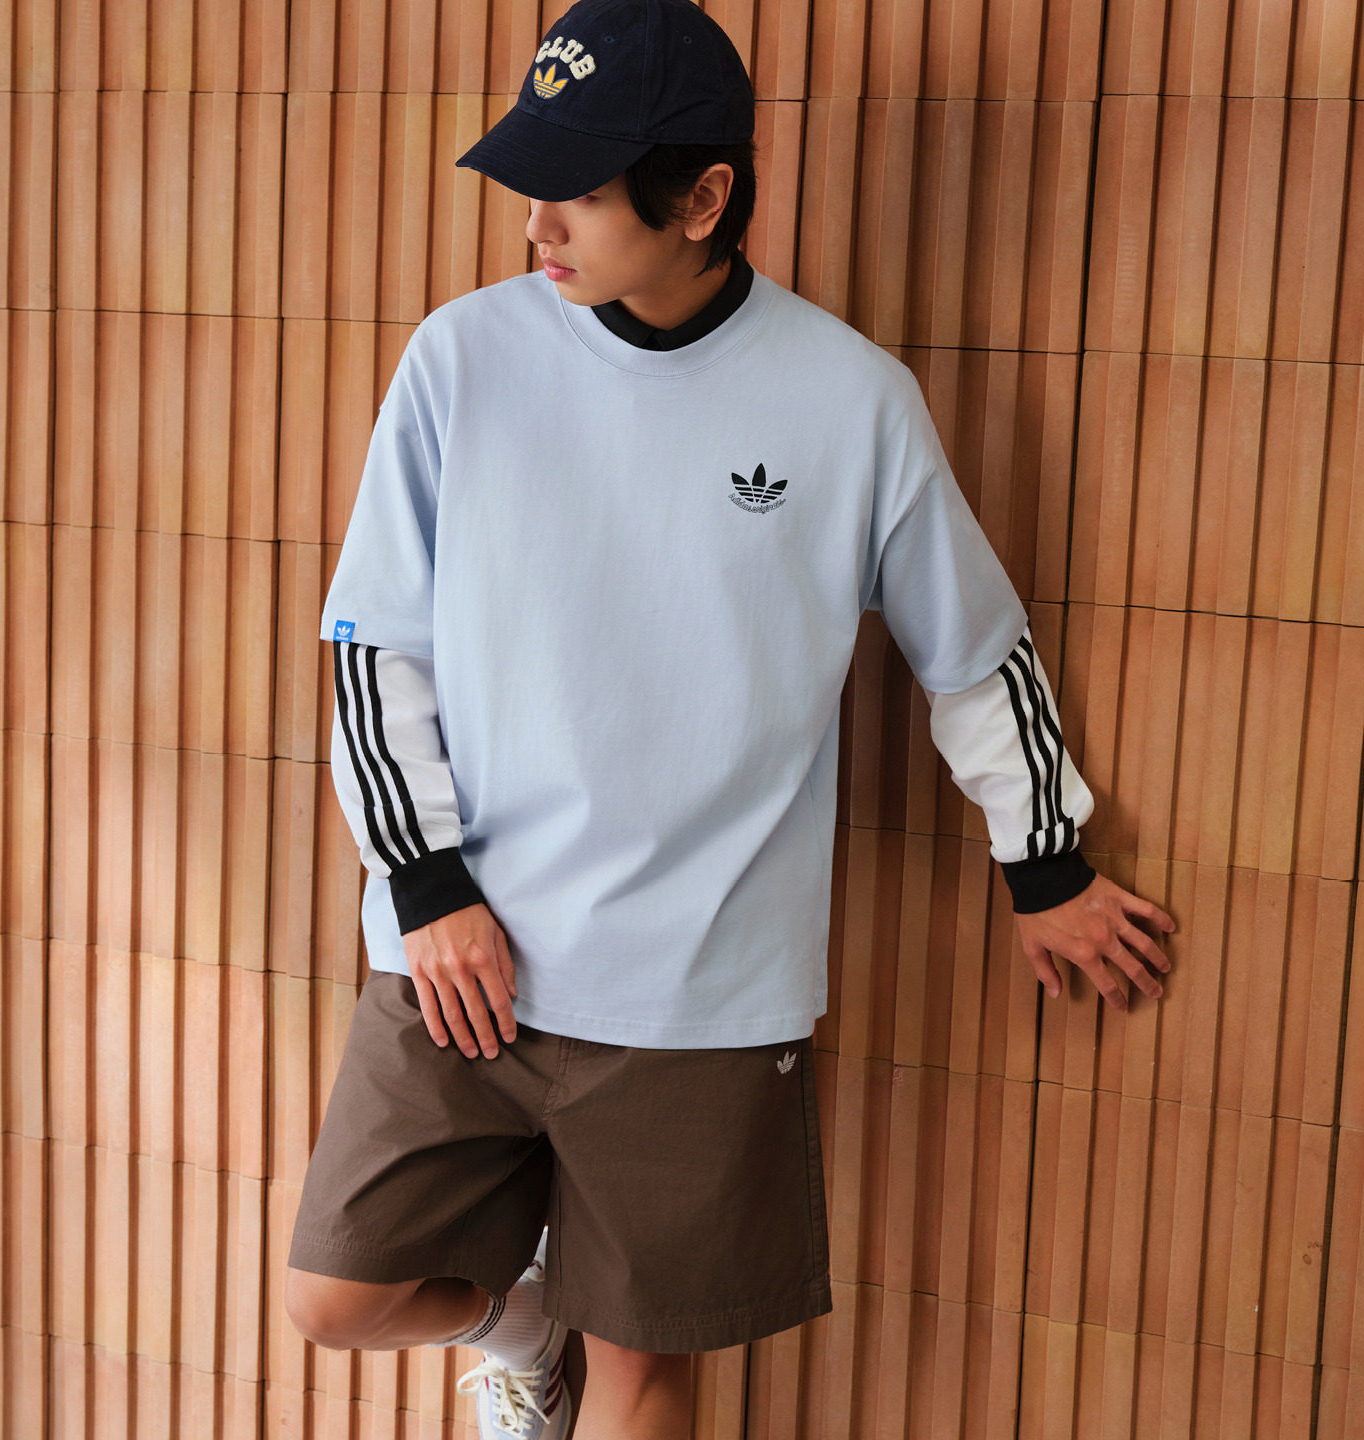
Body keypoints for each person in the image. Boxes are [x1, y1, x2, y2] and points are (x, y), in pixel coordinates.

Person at [282, 2, 1175, 1436]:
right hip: (464, 954)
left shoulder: (851, 401)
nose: (536, 229)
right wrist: (428, 884)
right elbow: (375, 642)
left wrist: (1047, 864)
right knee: (337, 1297)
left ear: (702, 200)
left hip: (700, 987)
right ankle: (527, 1327)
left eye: (575, 195)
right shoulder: (461, 361)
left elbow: (973, 652)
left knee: (648, 1368)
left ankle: (574, 1341)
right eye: (531, 187)